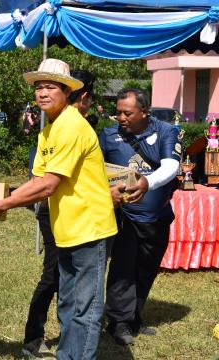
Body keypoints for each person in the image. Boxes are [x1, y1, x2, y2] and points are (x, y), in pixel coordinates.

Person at [0, 58, 118, 360]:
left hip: (89, 229)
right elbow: (37, 180)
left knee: (85, 309)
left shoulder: (71, 126)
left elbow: (48, 185)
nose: (42, 92)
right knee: (67, 304)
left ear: (67, 91)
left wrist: (2, 204)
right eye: (39, 87)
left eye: (50, 86)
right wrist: (5, 196)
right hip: (66, 229)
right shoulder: (48, 130)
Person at [100, 88, 181, 346]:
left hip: (156, 217)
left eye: (127, 113)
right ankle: (118, 322)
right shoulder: (109, 134)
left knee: (146, 268)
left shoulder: (166, 131)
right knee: (123, 269)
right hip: (124, 216)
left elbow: (171, 166)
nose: (120, 117)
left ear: (144, 111)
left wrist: (148, 182)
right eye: (118, 112)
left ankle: (134, 316)